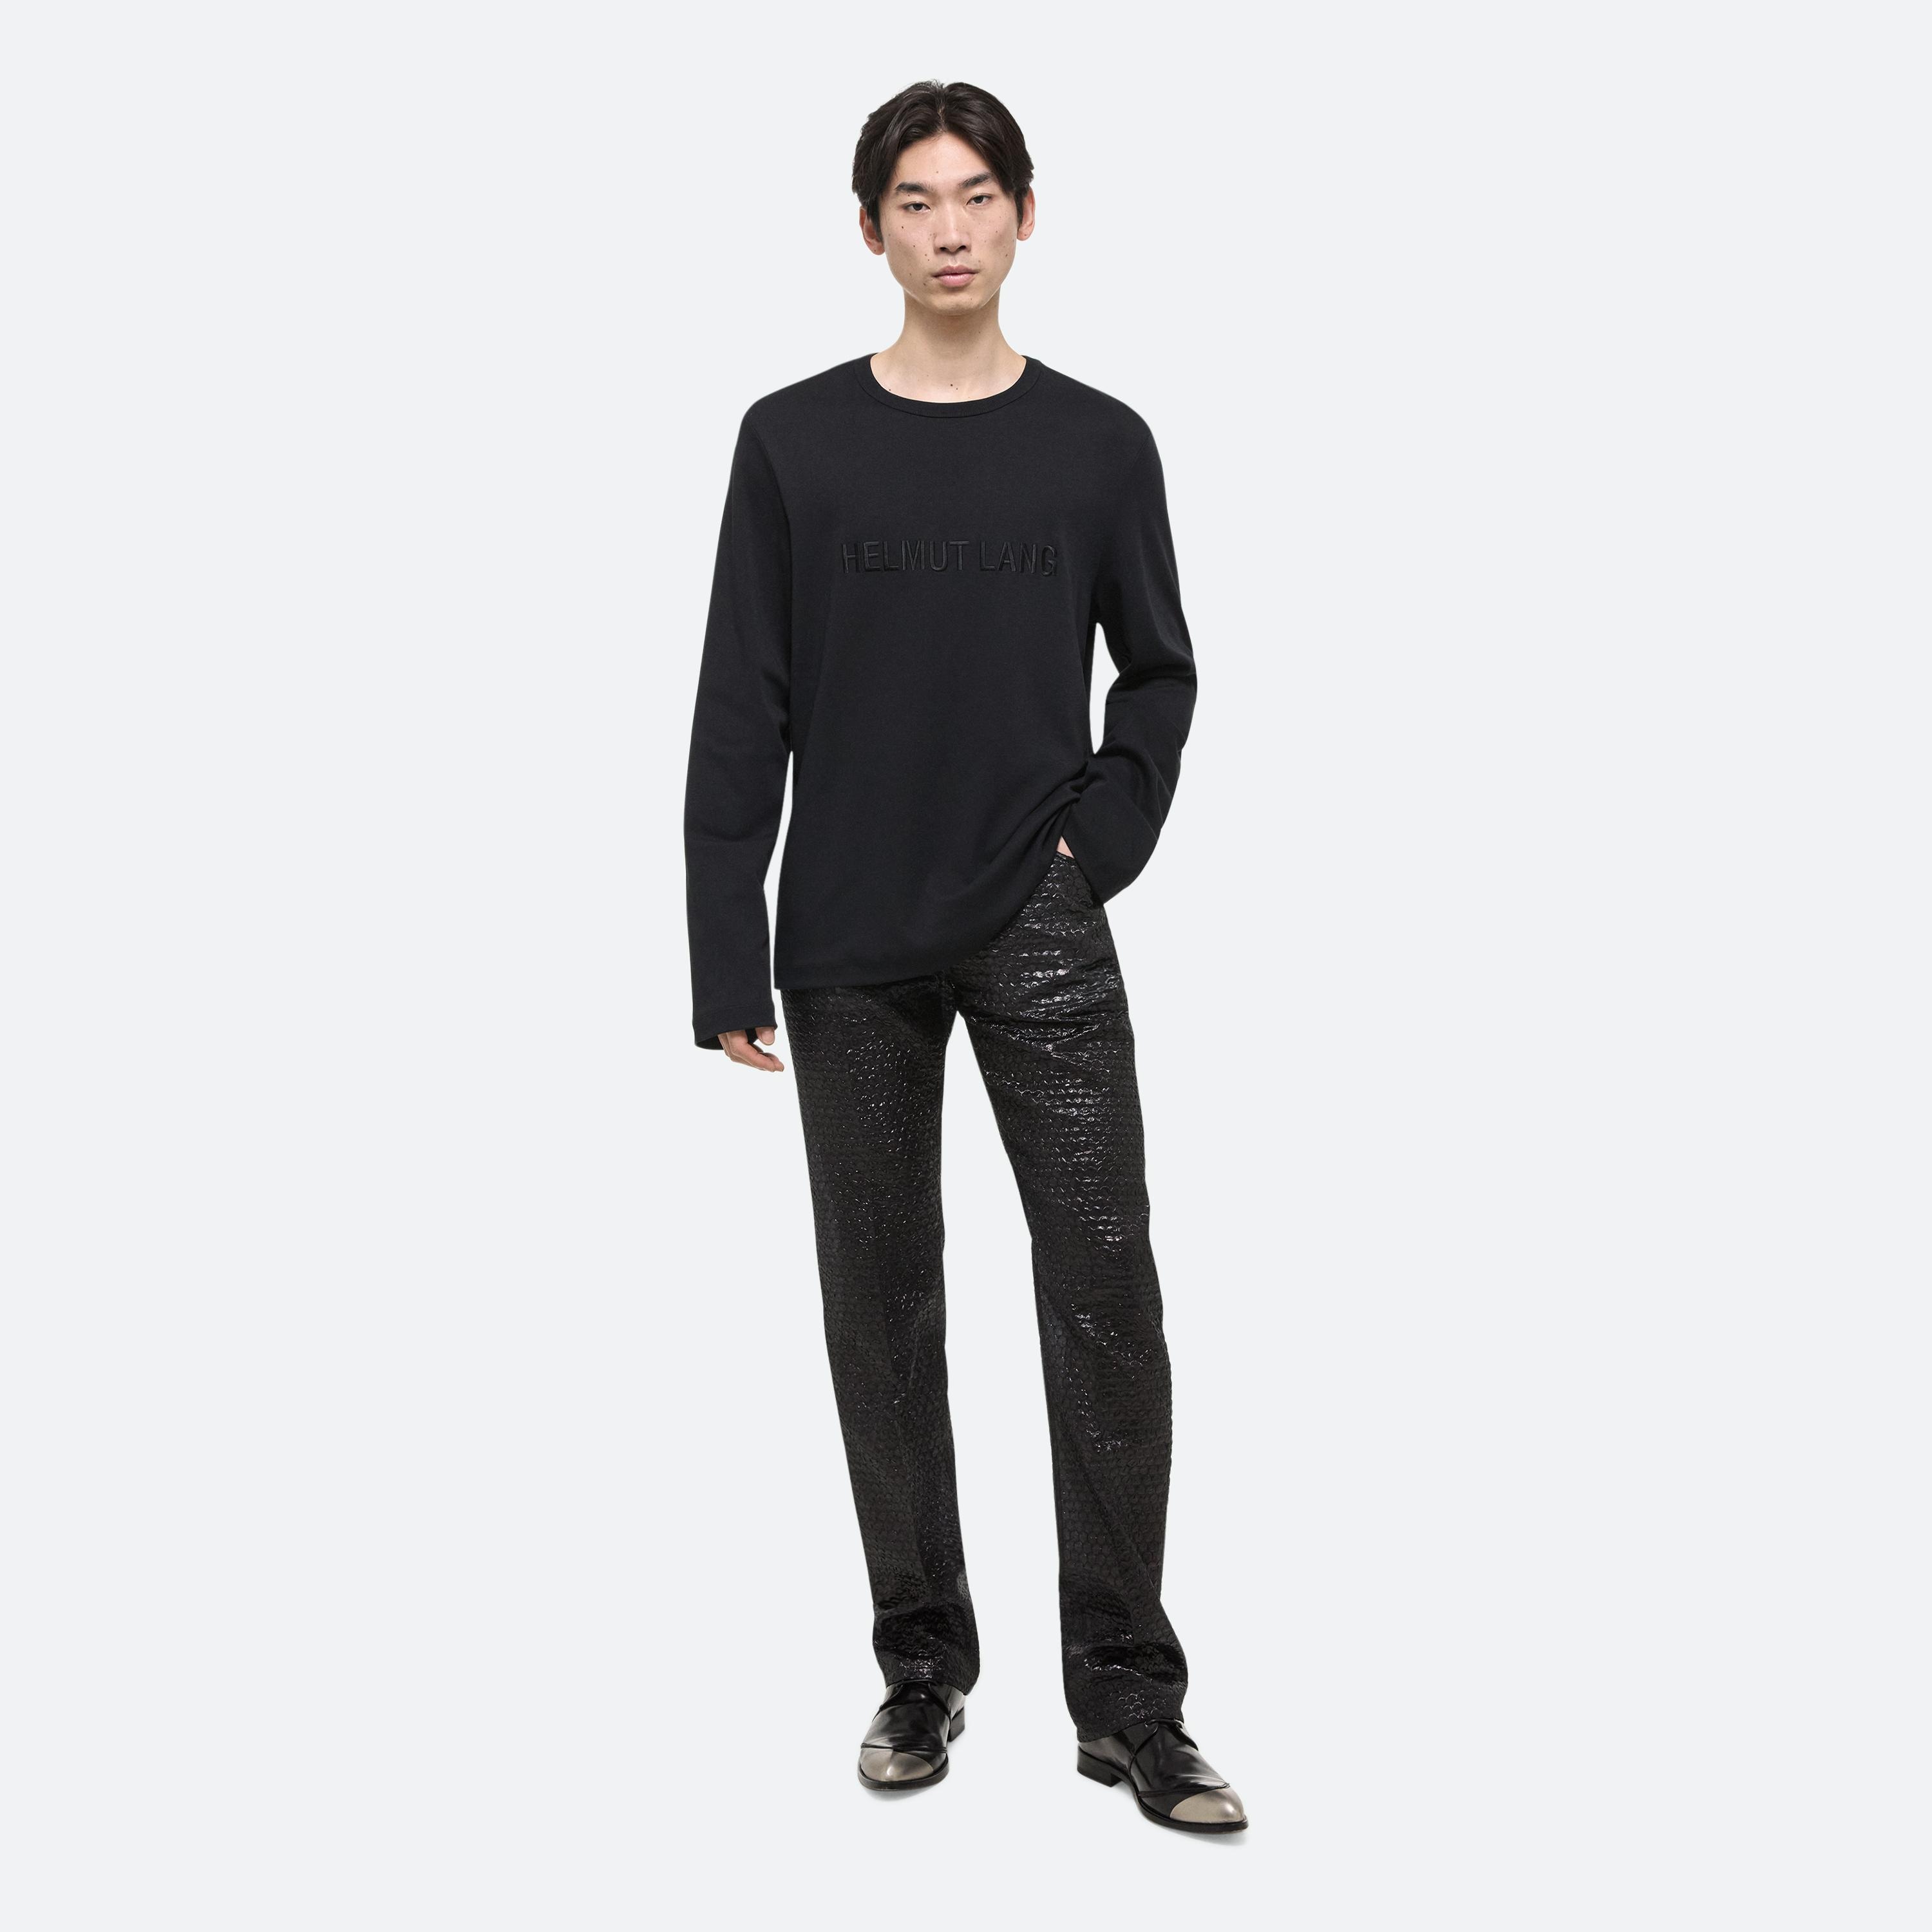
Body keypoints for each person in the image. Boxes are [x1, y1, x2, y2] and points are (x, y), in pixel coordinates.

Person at [682, 79, 1244, 1833]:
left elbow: (1161, 671)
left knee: (1106, 1289)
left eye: (977, 194)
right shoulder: (793, 441)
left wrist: (1097, 842)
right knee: (882, 1303)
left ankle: (1131, 1701)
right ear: (871, 231)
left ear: (1024, 214)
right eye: (915, 201)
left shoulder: (1099, 445)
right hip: (848, 932)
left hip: (1035, 916)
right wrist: (725, 946)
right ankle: (920, 1668)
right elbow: (742, 696)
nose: (949, 228)